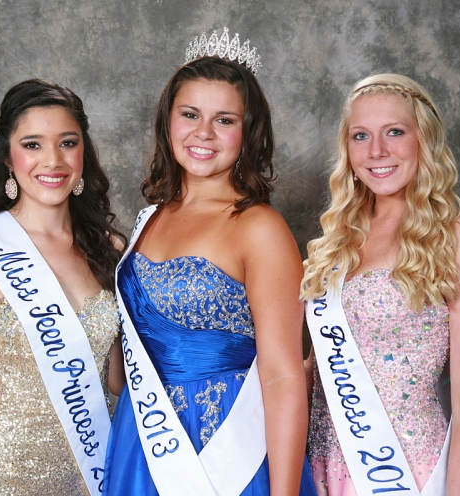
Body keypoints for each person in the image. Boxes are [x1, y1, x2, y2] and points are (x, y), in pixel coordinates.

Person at [103, 28, 317, 495]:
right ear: (167, 122)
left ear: (248, 131)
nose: (203, 133)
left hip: (227, 447)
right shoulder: (149, 220)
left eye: (224, 120)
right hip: (143, 443)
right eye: (190, 114)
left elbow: (282, 376)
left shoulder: (259, 227)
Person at [302, 73, 460, 496]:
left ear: (423, 140)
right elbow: (316, 370)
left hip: (403, 470)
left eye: (394, 132)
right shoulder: (335, 241)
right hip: (317, 466)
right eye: (361, 136)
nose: (377, 151)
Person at [0, 79, 126, 495]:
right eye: (33, 144)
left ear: (83, 154)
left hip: (91, 473)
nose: (52, 160)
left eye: (67, 143)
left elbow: (117, 381)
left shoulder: (112, 249)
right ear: (8, 157)